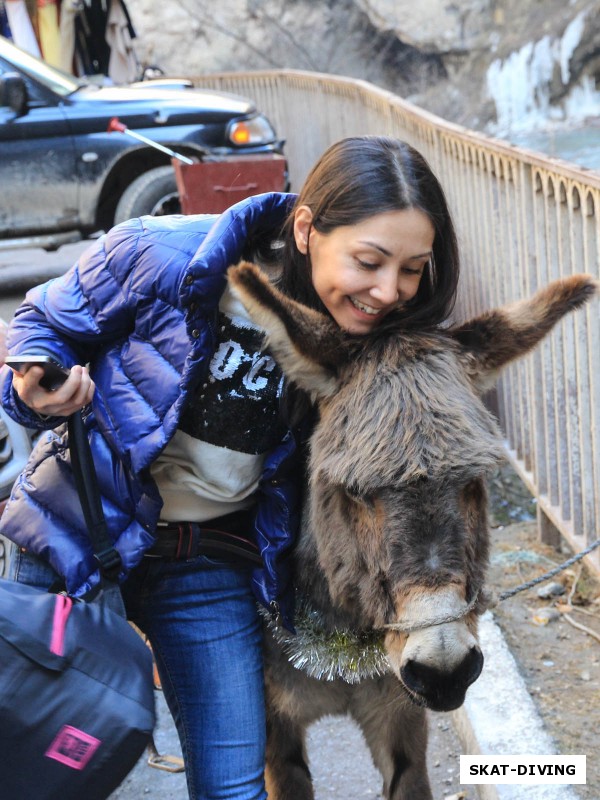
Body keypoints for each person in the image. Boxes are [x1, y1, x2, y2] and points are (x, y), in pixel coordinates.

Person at [0, 136, 460, 800]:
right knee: (39, 766)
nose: (389, 291)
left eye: (413, 269)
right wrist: (34, 387)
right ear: (306, 229)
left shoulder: (370, 341)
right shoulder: (165, 255)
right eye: (369, 260)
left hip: (206, 563)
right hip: (75, 537)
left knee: (235, 786)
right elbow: (42, 323)